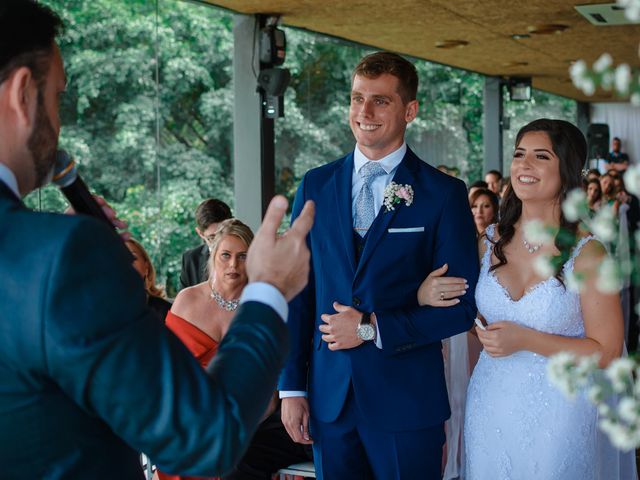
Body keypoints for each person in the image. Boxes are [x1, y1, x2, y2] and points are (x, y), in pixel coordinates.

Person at [0, 2, 315, 478]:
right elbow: (204, 438)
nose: (58, 121)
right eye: (57, 98)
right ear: (24, 93)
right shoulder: (60, 257)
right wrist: (269, 290)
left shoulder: (45, 253)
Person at [279, 51, 479, 479]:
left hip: (407, 401)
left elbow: (460, 310)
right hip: (330, 400)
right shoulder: (316, 184)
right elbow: (298, 290)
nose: (364, 112)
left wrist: (371, 327)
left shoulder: (442, 194)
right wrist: (292, 387)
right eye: (357, 99)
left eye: (381, 101)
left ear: (410, 110)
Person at [457, 119, 630, 478]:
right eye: (519, 154)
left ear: (566, 171)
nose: (524, 165)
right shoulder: (488, 241)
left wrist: (526, 340)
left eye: (540, 156)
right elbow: (478, 321)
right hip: (489, 401)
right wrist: (481, 331)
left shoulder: (588, 253)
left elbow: (608, 351)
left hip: (559, 409)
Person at [160, 218, 311, 480]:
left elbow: (271, 393)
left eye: (243, 256)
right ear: (212, 255)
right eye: (226, 255)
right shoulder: (186, 301)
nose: (233, 265)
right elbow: (169, 372)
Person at [180, 198, 232, 291]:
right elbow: (183, 302)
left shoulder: (247, 256)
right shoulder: (190, 259)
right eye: (212, 237)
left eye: (222, 234)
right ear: (200, 233)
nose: (218, 242)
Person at [126, 238, 173, 320]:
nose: (125, 262)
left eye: (132, 257)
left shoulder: (167, 312)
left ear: (146, 268)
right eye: (117, 257)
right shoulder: (99, 312)